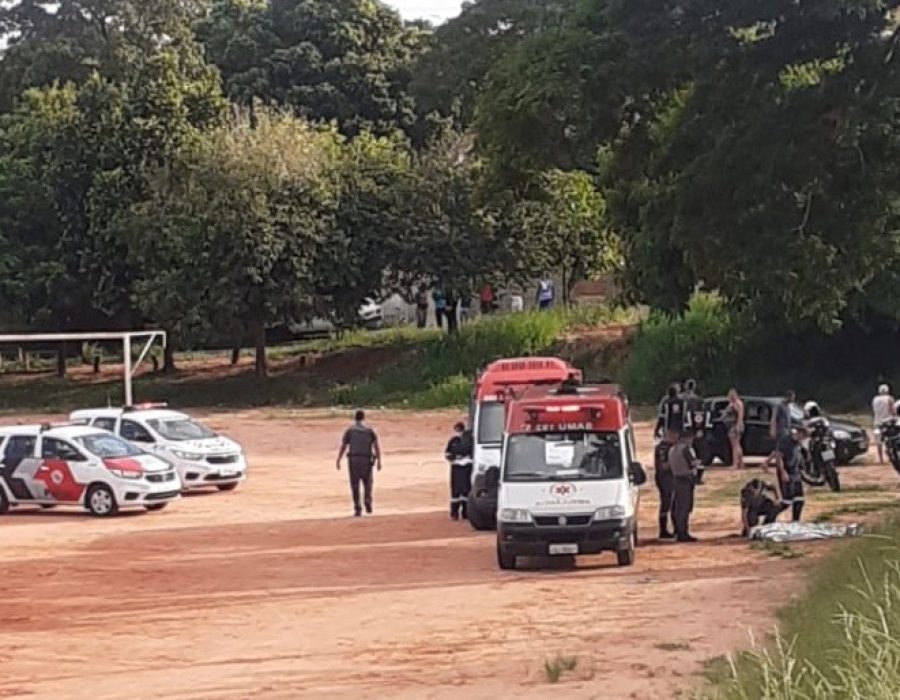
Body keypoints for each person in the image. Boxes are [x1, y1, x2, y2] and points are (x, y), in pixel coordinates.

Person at [336, 410, 382, 517]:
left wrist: (339, 459)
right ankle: (367, 501)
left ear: (355, 418)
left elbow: (343, 446)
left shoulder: (350, 431)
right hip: (366, 459)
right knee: (368, 483)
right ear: (363, 418)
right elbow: (376, 447)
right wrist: (379, 460)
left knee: (355, 484)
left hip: (354, 459)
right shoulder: (369, 431)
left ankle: (357, 508)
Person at [669, 432, 699, 542]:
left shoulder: (672, 449)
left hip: (676, 479)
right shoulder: (686, 449)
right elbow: (692, 463)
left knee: (677, 506)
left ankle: (677, 530)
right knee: (684, 508)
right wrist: (697, 463)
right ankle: (683, 533)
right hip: (686, 479)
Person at [772, 426, 805, 522]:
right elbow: (779, 456)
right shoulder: (785, 441)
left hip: (795, 473)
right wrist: (783, 472)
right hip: (786, 472)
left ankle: (795, 520)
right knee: (787, 501)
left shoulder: (798, 443)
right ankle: (770, 516)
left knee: (799, 499)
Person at [445, 422, 474, 520]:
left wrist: (466, 458)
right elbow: (447, 454)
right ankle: (454, 513)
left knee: (466, 491)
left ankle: (465, 513)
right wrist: (454, 458)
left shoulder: (469, 440)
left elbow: (473, 453)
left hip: (466, 467)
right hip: (456, 468)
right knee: (455, 492)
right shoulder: (453, 441)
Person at [766, 390, 795, 467]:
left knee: (779, 449)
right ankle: (769, 463)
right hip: (781, 430)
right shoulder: (779, 406)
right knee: (779, 449)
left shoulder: (788, 407)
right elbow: (774, 418)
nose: (793, 400)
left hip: (786, 430)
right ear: (788, 397)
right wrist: (772, 429)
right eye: (792, 397)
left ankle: (766, 462)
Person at [654, 437, 675, 539]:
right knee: (666, 503)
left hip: (665, 477)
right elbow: (664, 466)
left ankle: (670, 529)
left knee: (670, 503)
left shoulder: (665, 447)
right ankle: (663, 530)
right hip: (665, 478)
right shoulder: (663, 448)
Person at [873, 384, 896, 465]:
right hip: (888, 422)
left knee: (879, 442)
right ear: (887, 390)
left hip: (877, 422)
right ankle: (893, 455)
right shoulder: (890, 398)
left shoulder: (875, 399)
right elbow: (893, 410)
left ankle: (881, 459)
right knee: (891, 439)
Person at [724, 389, 746, 469]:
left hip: (735, 425)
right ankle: (740, 463)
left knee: (735, 445)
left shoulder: (737, 403)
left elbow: (740, 415)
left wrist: (738, 425)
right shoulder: (732, 403)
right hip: (731, 425)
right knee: (737, 445)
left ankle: (735, 464)